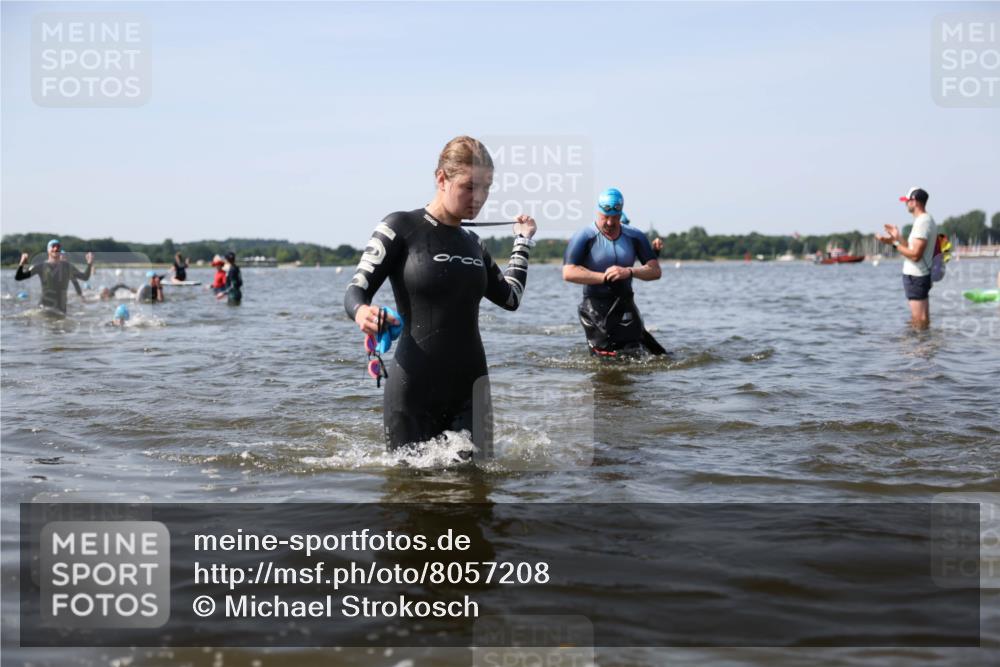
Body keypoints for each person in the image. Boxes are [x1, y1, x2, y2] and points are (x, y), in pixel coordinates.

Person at [344, 135, 536, 457]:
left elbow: (510, 298)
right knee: (414, 495)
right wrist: (363, 312)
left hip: (472, 389)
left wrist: (523, 243)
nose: (480, 197)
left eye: (487, 187)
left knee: (476, 496)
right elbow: (356, 290)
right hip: (413, 388)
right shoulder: (400, 227)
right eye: (470, 186)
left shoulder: (474, 243)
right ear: (441, 178)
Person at [563, 188, 662, 356]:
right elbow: (568, 272)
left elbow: (655, 271)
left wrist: (629, 272)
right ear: (598, 213)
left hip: (625, 302)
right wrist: (605, 277)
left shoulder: (635, 236)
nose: (610, 222)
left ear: (621, 213)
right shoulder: (584, 236)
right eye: (605, 217)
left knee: (646, 353)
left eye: (615, 217)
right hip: (595, 306)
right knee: (606, 358)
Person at [877, 187, 937, 329]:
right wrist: (896, 238)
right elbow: (911, 249)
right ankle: (921, 347)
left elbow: (915, 255)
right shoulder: (924, 220)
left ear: (914, 201)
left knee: (919, 320)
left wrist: (895, 244)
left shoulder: (923, 222)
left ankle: (918, 350)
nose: (905, 204)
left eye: (907, 201)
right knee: (920, 320)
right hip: (918, 276)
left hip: (916, 276)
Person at [14, 240, 94, 315]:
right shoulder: (40, 266)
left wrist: (89, 263)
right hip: (45, 308)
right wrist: (21, 263)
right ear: (48, 250)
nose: (56, 248)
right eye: (53, 246)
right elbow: (19, 277)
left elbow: (85, 277)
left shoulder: (67, 266)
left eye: (58, 247)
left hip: (61, 310)